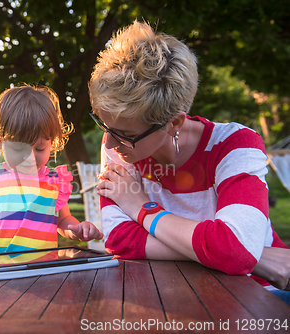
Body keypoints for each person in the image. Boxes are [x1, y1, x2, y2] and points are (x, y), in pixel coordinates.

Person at [88, 20, 290, 303]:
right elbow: (120, 239)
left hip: (259, 292)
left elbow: (234, 250)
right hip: (175, 292)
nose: (108, 144)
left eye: (125, 134)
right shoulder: (121, 143)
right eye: (104, 127)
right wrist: (255, 256)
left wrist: (142, 209)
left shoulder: (234, 145)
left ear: (174, 124)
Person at [0, 84, 104, 273]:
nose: (29, 158)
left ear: (52, 142)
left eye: (39, 148)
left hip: (41, 270)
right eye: (19, 149)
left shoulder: (55, 183)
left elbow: (63, 221)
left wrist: (77, 229)